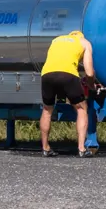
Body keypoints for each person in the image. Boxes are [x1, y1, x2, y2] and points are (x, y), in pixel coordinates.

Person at [39, 27, 95, 158]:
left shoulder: (56, 40)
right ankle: (82, 149)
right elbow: (89, 72)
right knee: (81, 108)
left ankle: (45, 148)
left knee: (47, 110)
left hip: (47, 74)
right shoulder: (84, 42)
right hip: (68, 74)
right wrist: (91, 85)